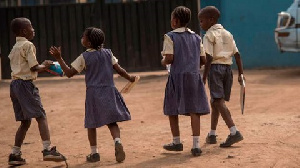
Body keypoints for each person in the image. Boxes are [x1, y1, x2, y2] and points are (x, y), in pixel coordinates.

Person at [49, 27, 137, 163]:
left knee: (91, 123)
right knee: (112, 122)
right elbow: (119, 70)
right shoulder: (108, 53)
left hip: (93, 94)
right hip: (109, 91)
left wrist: (59, 58)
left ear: (88, 43)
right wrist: (130, 78)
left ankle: (94, 153)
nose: (81, 38)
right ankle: (118, 142)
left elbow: (69, 73)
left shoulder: (84, 57)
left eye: (83, 36)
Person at [8, 17, 66, 166]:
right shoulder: (28, 45)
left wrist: (43, 66)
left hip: (14, 85)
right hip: (26, 85)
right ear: (24, 31)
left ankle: (15, 154)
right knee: (41, 116)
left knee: (25, 122)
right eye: (31, 27)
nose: (33, 29)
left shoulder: (14, 47)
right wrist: (46, 65)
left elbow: (24, 67)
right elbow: (34, 67)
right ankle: (47, 150)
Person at [161, 6, 210, 156]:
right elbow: (203, 59)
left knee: (172, 109)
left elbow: (169, 58)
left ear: (175, 21)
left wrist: (163, 61)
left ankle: (176, 142)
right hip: (193, 77)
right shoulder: (196, 37)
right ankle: (196, 145)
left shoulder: (170, 37)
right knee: (194, 110)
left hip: (177, 77)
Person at [198, 6, 245, 147]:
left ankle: (234, 131)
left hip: (215, 69)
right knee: (215, 102)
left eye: (202, 21)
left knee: (218, 101)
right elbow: (237, 54)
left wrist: (204, 77)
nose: (201, 24)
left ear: (211, 20)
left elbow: (208, 57)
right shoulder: (228, 34)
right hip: (228, 70)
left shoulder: (209, 35)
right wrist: (241, 73)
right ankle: (212, 134)